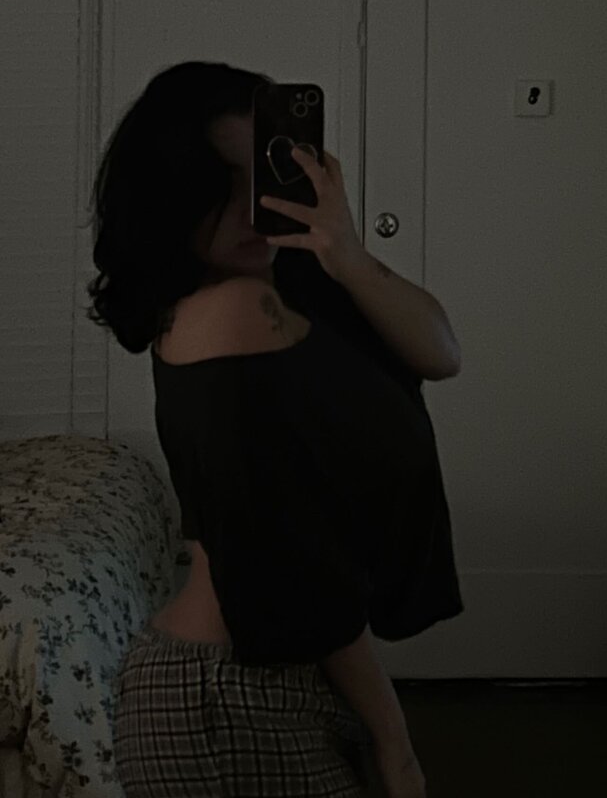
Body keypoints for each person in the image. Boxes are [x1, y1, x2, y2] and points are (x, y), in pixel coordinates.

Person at [87, 60, 463, 796]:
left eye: (261, 177)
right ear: (171, 198)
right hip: (227, 695)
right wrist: (394, 740)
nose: (252, 209)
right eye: (221, 187)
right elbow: (290, 555)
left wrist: (344, 250)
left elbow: (441, 353)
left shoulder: (289, 284)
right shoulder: (235, 315)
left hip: (279, 670)